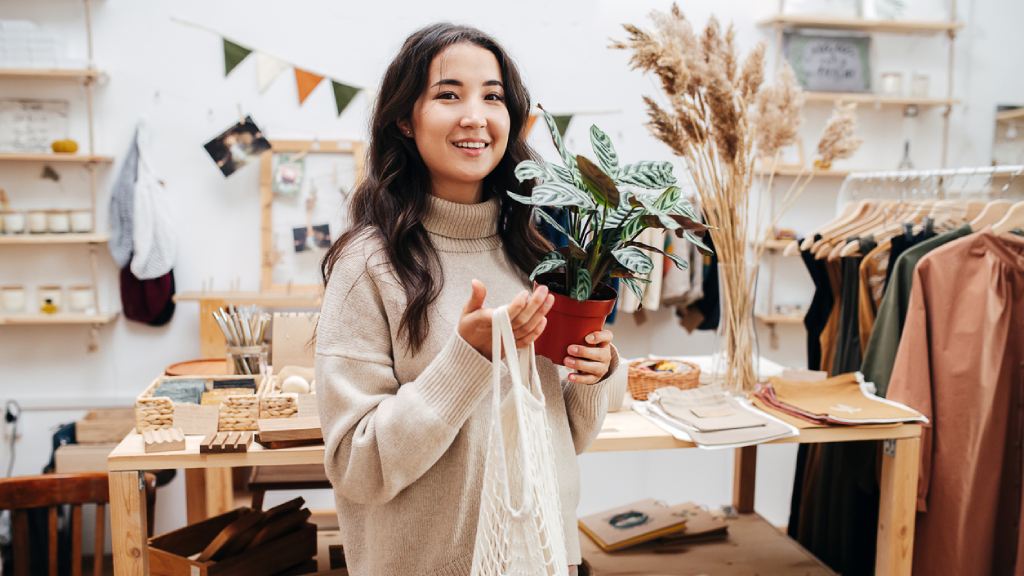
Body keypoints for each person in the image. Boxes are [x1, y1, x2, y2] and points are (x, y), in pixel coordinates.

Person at [316, 23, 618, 575]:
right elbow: (356, 465)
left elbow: (566, 439)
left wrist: (595, 374)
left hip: (543, 559)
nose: (475, 115)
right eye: (448, 94)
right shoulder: (369, 264)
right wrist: (469, 358)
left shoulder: (538, 256)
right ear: (405, 119)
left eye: (493, 96)